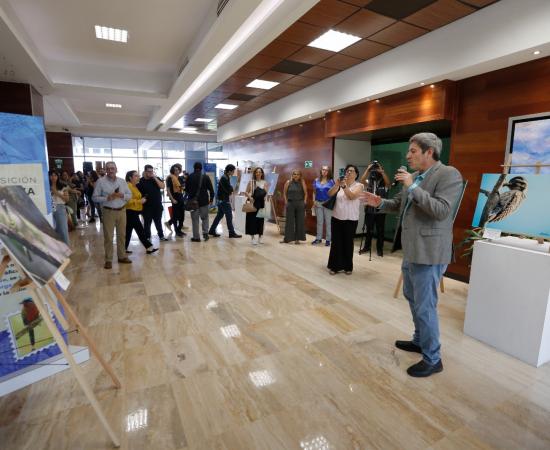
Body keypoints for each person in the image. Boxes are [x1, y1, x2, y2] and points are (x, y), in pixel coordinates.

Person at [362, 132, 463, 378]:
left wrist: (413, 186)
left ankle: (432, 358)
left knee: (425, 306)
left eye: (413, 151)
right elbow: (398, 203)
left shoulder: (449, 174)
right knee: (412, 297)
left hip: (429, 253)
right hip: (412, 249)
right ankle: (419, 340)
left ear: (430, 152)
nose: (408, 155)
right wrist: (379, 202)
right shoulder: (416, 177)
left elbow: (441, 211)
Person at [92, 161, 132, 269]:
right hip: (108, 211)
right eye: (108, 168)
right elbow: (94, 197)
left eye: (112, 168)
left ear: (116, 169)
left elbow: (129, 195)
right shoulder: (100, 182)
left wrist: (122, 195)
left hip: (122, 211)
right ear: (105, 170)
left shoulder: (122, 181)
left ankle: (122, 256)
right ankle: (108, 259)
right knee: (109, 237)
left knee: (122, 235)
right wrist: (107, 198)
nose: (110, 170)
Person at [326, 165, 363, 274]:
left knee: (348, 243)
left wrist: (344, 186)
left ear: (356, 174)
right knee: (336, 243)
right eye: (347, 171)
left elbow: (351, 196)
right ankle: (334, 267)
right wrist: (337, 184)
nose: (349, 173)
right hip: (337, 217)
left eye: (352, 171)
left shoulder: (359, 185)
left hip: (350, 219)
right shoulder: (340, 184)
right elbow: (329, 194)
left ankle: (348, 267)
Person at [359, 161, 390, 256]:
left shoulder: (384, 183)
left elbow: (388, 184)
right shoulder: (370, 181)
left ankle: (379, 249)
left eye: (377, 169)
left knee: (380, 230)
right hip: (370, 209)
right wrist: (368, 169)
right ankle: (366, 247)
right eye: (375, 169)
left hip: (381, 210)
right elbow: (362, 180)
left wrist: (382, 171)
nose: (375, 171)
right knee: (369, 229)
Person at [124, 170, 158, 255]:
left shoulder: (134, 186)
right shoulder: (128, 186)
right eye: (136, 176)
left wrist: (142, 199)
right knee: (140, 230)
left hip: (134, 211)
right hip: (130, 211)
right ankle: (149, 247)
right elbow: (126, 200)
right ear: (130, 177)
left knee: (129, 231)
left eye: (138, 175)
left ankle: (123, 249)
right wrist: (140, 201)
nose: (138, 177)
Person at [208, 164, 242, 238]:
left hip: (221, 200)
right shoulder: (224, 178)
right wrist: (233, 186)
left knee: (219, 216)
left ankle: (212, 230)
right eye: (233, 171)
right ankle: (231, 233)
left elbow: (230, 190)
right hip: (224, 200)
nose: (233, 173)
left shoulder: (226, 177)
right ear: (229, 171)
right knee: (229, 216)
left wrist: (231, 188)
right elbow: (230, 190)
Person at [185, 162, 215, 242]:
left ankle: (196, 237)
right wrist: (211, 199)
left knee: (195, 220)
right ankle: (205, 234)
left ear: (194, 168)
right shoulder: (205, 177)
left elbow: (186, 190)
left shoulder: (190, 177)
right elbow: (211, 190)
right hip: (204, 201)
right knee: (205, 218)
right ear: (201, 168)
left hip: (193, 202)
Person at [137, 164, 168, 242]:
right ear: (145, 171)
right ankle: (147, 237)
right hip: (147, 206)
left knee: (158, 222)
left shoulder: (156, 179)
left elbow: (162, 187)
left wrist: (154, 178)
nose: (150, 173)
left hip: (157, 205)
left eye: (151, 171)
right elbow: (137, 193)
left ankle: (161, 235)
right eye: (148, 171)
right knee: (147, 223)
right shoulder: (141, 181)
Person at [281, 169, 307, 244]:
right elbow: (284, 193)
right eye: (294, 174)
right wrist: (286, 202)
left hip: (300, 204)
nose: (296, 175)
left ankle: (297, 239)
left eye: (298, 174)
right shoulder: (288, 182)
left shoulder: (302, 182)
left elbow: (306, 193)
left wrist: (304, 202)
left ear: (300, 176)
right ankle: (287, 239)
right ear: (292, 175)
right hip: (290, 203)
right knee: (289, 222)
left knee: (300, 221)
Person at [245, 167, 269, 245]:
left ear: (262, 173)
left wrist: (265, 198)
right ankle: (252, 238)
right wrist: (250, 198)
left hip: (261, 203)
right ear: (255, 173)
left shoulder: (264, 182)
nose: (258, 173)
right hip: (253, 203)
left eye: (260, 172)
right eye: (257, 172)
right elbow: (246, 192)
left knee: (260, 221)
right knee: (251, 221)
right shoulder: (251, 182)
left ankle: (260, 237)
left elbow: (265, 193)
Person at [312, 166, 335, 246]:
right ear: (321, 171)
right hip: (318, 203)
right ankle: (318, 238)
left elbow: (333, 193)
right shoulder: (316, 180)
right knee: (319, 222)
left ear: (329, 172)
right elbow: (314, 192)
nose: (324, 171)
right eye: (323, 169)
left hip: (327, 203)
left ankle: (328, 239)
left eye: (326, 170)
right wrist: (314, 201)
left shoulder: (331, 181)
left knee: (328, 222)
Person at [49, 170, 70, 245]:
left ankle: (66, 249)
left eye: (55, 175)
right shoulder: (45, 186)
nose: (53, 177)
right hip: (49, 209)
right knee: (53, 230)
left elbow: (67, 199)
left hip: (60, 207)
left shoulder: (63, 186)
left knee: (63, 230)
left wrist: (56, 193)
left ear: (58, 176)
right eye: (51, 175)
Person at [166, 164, 185, 238]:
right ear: (172, 171)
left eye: (178, 170)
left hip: (180, 196)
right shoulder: (170, 178)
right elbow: (168, 190)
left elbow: (183, 187)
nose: (177, 171)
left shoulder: (180, 178)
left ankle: (179, 229)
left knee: (182, 216)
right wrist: (172, 199)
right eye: (175, 170)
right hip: (174, 197)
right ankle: (176, 231)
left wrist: (183, 186)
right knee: (175, 215)